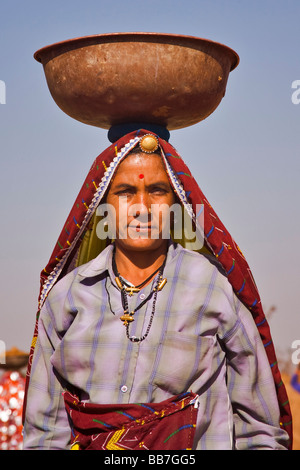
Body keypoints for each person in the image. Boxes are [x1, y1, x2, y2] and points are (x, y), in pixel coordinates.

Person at [23, 128, 292, 450]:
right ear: (102, 205)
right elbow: (44, 435)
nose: (142, 207)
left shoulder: (213, 289)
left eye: (157, 190)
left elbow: (259, 431)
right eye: (124, 191)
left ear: (177, 202)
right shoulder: (67, 298)